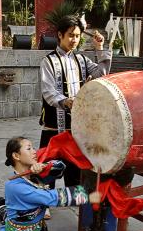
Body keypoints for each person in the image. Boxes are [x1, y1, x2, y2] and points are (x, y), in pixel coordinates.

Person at [39, 14, 112, 218]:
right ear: (60, 35)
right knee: (48, 167)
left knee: (75, 165)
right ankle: (44, 204)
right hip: (54, 124)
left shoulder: (81, 59)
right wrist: (65, 101)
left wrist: (99, 49)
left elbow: (101, 74)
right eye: (70, 35)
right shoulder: (48, 61)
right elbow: (48, 91)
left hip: (77, 124)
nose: (74, 40)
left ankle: (77, 199)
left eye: (78, 36)